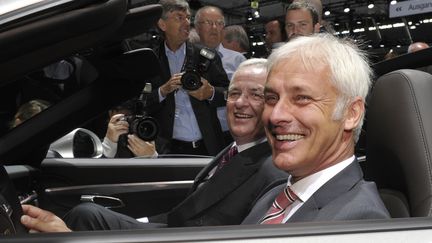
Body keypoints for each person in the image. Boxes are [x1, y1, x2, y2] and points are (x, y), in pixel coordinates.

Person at [20, 58, 288, 232]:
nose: (240, 103)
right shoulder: (233, 151)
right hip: (171, 228)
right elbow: (187, 212)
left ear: (274, 103)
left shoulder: (272, 168)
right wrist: (141, 223)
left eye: (256, 94)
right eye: (234, 94)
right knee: (86, 213)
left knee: (84, 217)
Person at [242, 34, 390, 225]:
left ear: (351, 114)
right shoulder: (274, 194)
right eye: (271, 98)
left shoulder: (357, 222)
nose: (276, 115)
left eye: (302, 98)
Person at [145, 0, 230, 156]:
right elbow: (140, 102)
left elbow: (229, 94)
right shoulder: (150, 59)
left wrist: (210, 92)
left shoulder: (206, 55)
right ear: (162, 24)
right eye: (179, 18)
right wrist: (163, 91)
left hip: (208, 145)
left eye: (188, 18)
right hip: (169, 148)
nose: (186, 23)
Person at [194, 6, 246, 145]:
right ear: (197, 27)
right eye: (209, 23)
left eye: (219, 23)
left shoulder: (237, 60)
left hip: (230, 133)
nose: (215, 27)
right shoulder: (187, 58)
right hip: (199, 135)